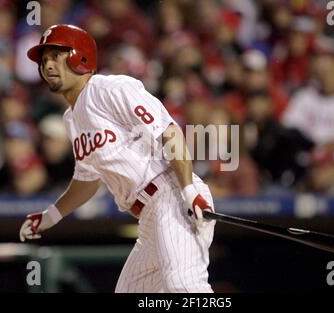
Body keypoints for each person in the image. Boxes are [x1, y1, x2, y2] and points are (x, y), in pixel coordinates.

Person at [19, 24, 216, 293]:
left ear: (80, 56)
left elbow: (169, 132)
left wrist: (189, 190)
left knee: (184, 286)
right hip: (148, 216)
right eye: (44, 60)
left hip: (171, 194)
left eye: (56, 55)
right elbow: (87, 179)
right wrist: (51, 216)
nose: (48, 65)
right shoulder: (71, 119)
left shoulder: (110, 88)